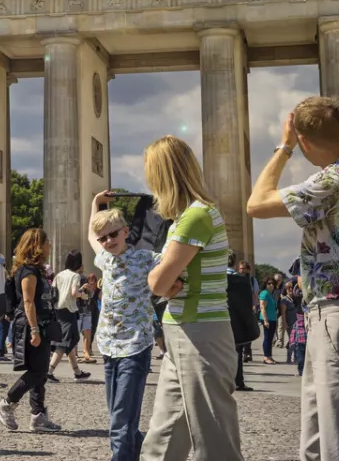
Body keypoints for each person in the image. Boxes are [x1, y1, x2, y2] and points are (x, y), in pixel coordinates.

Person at [247, 96, 339, 460]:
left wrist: (283, 147)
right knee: (322, 430)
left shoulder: (334, 179)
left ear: (304, 140)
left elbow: (256, 204)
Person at [140, 136, 244, 461]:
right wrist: (162, 279)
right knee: (164, 435)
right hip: (184, 329)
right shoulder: (188, 218)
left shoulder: (195, 217)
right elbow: (164, 280)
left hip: (200, 332)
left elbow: (158, 282)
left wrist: (159, 278)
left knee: (213, 441)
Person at [87, 197, 160, 461]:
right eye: (103, 238)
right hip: (108, 346)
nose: (108, 241)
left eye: (113, 235)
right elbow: (90, 235)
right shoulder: (104, 258)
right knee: (120, 416)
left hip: (135, 346)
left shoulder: (146, 258)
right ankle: (142, 454)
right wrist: (95, 203)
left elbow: (178, 259)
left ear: (126, 231)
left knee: (120, 421)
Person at [0, 228, 61, 433]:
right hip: (31, 324)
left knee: (40, 371)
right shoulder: (28, 271)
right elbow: (28, 301)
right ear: (37, 246)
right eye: (47, 242)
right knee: (38, 371)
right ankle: (7, 403)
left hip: (40, 323)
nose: (50, 246)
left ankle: (38, 415)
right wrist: (34, 330)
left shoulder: (36, 270)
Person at [47, 250, 90, 382]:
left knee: (69, 340)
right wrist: (82, 295)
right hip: (69, 311)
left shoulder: (59, 275)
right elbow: (73, 293)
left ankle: (77, 372)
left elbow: (53, 291)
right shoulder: (75, 276)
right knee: (65, 341)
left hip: (58, 310)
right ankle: (49, 371)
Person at [227, 249, 256, 392]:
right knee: (237, 352)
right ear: (234, 263)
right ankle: (238, 381)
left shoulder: (216, 278)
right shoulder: (242, 280)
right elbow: (247, 303)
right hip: (237, 320)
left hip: (218, 318)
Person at [259, 278, 278, 364]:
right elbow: (262, 307)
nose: (271, 285)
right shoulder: (265, 293)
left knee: (270, 339)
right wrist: (266, 320)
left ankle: (269, 356)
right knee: (267, 338)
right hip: (267, 318)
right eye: (269, 283)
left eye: (273, 283)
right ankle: (266, 357)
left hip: (272, 318)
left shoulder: (271, 294)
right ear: (266, 284)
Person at [79, 273, 97, 363]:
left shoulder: (90, 286)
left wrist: (90, 288)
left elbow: (91, 296)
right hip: (77, 309)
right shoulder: (74, 279)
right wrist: (81, 288)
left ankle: (86, 352)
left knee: (88, 331)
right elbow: (72, 293)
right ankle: (75, 354)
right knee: (76, 332)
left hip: (87, 309)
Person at [280, 280, 299, 363]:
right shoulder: (284, 299)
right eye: (288, 288)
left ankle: (295, 358)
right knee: (293, 341)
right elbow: (283, 312)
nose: (290, 289)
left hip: (297, 323)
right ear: (286, 289)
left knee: (296, 340)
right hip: (289, 323)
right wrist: (284, 322)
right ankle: (289, 358)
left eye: (292, 287)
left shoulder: (295, 298)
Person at [289, 308, 307, 377]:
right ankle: (302, 371)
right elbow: (293, 333)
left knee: (301, 358)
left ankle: (302, 371)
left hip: (302, 343)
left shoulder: (298, 323)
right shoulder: (300, 323)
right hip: (303, 342)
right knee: (302, 358)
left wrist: (292, 343)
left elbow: (293, 333)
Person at [272, 273, 285, 348]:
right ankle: (273, 340)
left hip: (281, 310)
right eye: (276, 280)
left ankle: (280, 342)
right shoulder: (271, 287)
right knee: (273, 327)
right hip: (272, 310)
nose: (277, 281)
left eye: (279, 280)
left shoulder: (283, 287)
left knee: (280, 326)